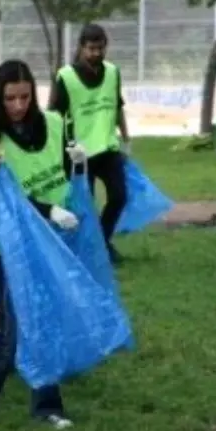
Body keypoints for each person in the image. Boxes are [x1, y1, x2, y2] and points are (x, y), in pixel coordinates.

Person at [0, 60, 88, 429]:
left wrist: (78, 164)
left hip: (55, 240)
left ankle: (47, 405)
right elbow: (5, 203)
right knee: (16, 326)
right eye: (9, 98)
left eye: (24, 96)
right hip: (13, 246)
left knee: (46, 320)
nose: (19, 105)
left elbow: (64, 174)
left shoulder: (53, 124)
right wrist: (48, 210)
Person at [49, 24, 130, 264]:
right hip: (79, 153)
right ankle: (84, 253)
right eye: (91, 48)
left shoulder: (113, 72)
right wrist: (62, 147)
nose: (96, 53)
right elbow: (54, 116)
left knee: (119, 196)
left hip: (107, 149)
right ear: (81, 48)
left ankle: (102, 243)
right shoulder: (66, 76)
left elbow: (117, 106)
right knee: (85, 207)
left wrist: (126, 138)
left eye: (100, 48)